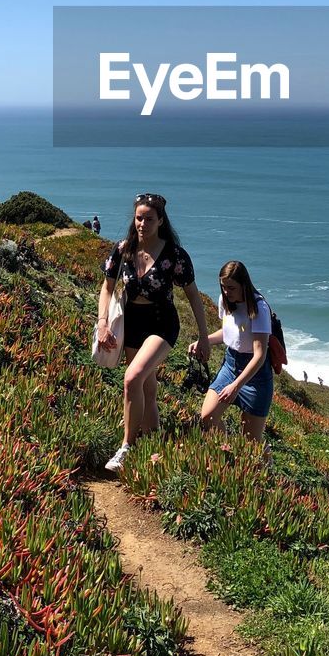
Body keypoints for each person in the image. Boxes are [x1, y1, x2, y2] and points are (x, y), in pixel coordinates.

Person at [96, 193, 210, 471]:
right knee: (146, 385)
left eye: (149, 218)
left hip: (162, 323)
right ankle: (153, 442)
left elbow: (194, 296)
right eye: (139, 218)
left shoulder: (174, 255)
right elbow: (107, 287)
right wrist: (102, 322)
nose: (142, 224)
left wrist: (204, 336)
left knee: (132, 377)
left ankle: (126, 447)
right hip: (133, 321)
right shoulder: (122, 249)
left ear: (161, 220)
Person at [191, 260, 273, 444]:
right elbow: (228, 333)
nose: (227, 292)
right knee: (208, 417)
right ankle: (228, 453)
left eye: (231, 288)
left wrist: (235, 387)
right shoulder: (225, 300)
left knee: (252, 441)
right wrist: (204, 341)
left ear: (244, 284)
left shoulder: (259, 308)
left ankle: (267, 468)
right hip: (230, 365)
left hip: (255, 375)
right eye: (223, 287)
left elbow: (260, 355)